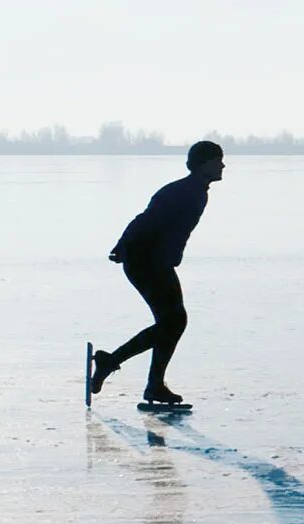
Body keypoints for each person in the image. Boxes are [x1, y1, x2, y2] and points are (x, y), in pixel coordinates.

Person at [90, 140, 224, 404]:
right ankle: (121, 368)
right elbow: (145, 219)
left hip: (156, 261)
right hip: (144, 260)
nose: (222, 165)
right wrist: (122, 245)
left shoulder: (197, 191)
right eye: (218, 160)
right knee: (173, 321)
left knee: (173, 322)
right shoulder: (183, 192)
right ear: (204, 164)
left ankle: (149, 382)